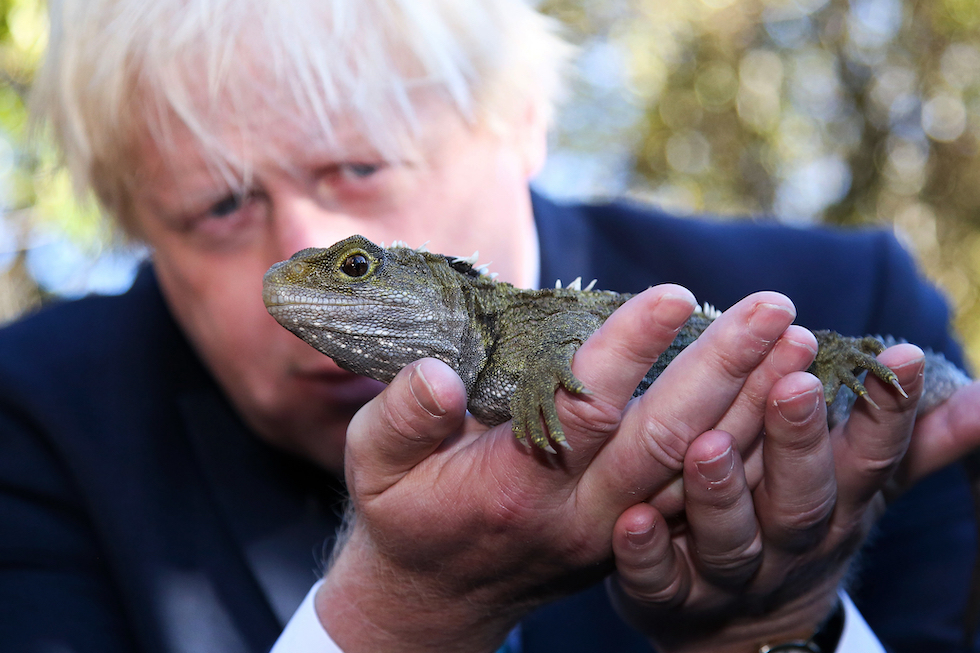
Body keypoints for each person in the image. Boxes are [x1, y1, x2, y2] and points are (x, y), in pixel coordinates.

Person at [2, 0, 978, 651]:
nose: (294, 240)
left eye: (361, 165)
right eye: (217, 206)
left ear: (518, 121)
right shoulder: (39, 422)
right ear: (139, 225)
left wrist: (780, 623)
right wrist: (392, 617)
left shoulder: (848, 300)